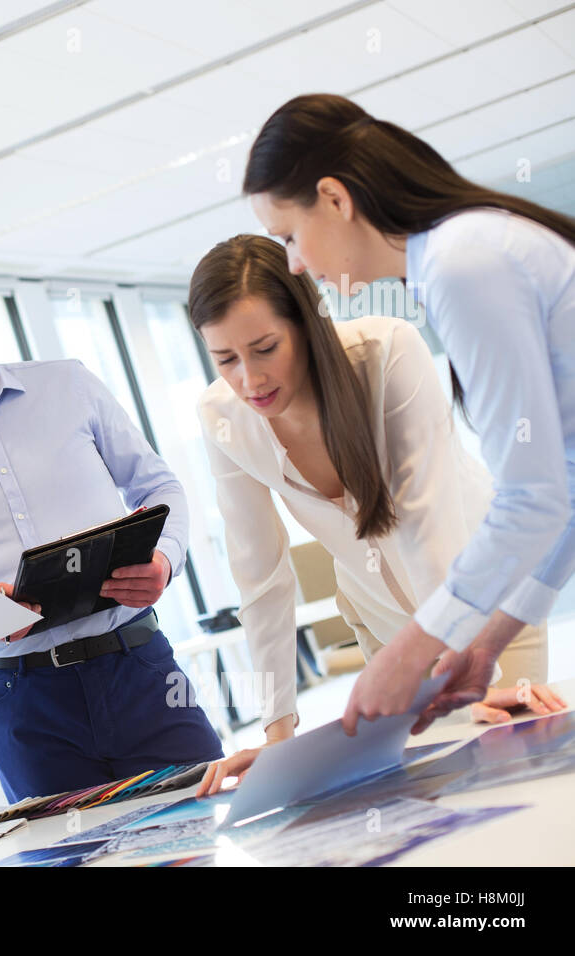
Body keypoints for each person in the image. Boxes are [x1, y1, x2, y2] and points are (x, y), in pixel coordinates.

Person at [181, 236, 564, 796]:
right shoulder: (221, 416)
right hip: (381, 619)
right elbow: (259, 574)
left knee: (515, 776)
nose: (250, 380)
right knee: (431, 792)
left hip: (484, 607)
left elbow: (430, 523)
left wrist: (462, 676)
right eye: (226, 359)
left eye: (265, 348)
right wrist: (279, 733)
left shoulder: (387, 351)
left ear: (307, 323)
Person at [242, 93, 575, 735]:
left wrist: (412, 649)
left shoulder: (461, 262)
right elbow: (565, 480)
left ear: (336, 199)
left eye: (289, 234)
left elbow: (533, 496)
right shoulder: (464, 246)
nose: (295, 263)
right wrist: (487, 640)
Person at [0, 252, 223, 803]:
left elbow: (158, 487)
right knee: (72, 859)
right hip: (20, 702)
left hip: (139, 668)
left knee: (211, 820)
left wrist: (165, 561)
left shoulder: (71, 385)